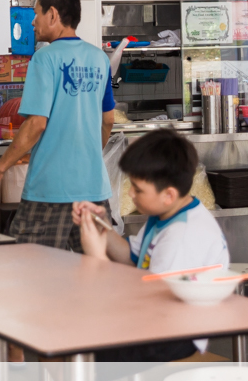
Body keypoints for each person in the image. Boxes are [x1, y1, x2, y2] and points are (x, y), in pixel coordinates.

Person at [0, 0, 116, 250]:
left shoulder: (44, 58)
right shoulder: (99, 59)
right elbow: (108, 120)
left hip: (51, 190)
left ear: (53, 15)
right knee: (98, 277)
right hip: (94, 190)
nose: (32, 22)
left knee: (35, 274)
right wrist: (86, 158)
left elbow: (37, 123)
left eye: (36, 13)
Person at [74, 130, 230, 362]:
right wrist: (103, 228)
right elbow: (131, 256)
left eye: (138, 189)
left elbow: (150, 300)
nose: (130, 194)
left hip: (176, 334)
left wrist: (97, 256)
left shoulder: (182, 236)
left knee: (86, 342)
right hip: (158, 320)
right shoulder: (166, 215)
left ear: (168, 195)